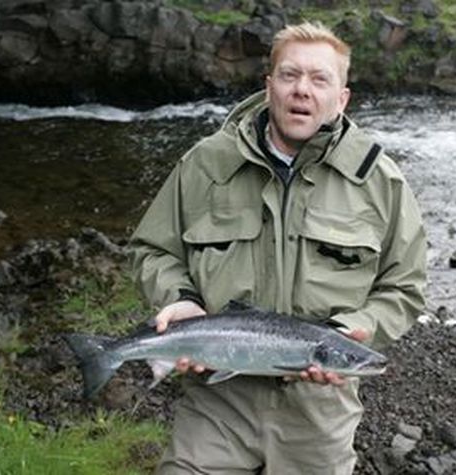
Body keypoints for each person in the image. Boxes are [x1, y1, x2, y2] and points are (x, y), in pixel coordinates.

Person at [128, 21, 427, 475]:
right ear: (270, 87)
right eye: (289, 76)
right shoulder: (206, 164)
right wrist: (181, 301)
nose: (302, 90)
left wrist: (353, 329)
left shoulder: (380, 181)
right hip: (215, 403)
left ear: (341, 98)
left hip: (319, 412)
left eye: (319, 79)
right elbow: (153, 251)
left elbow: (403, 288)